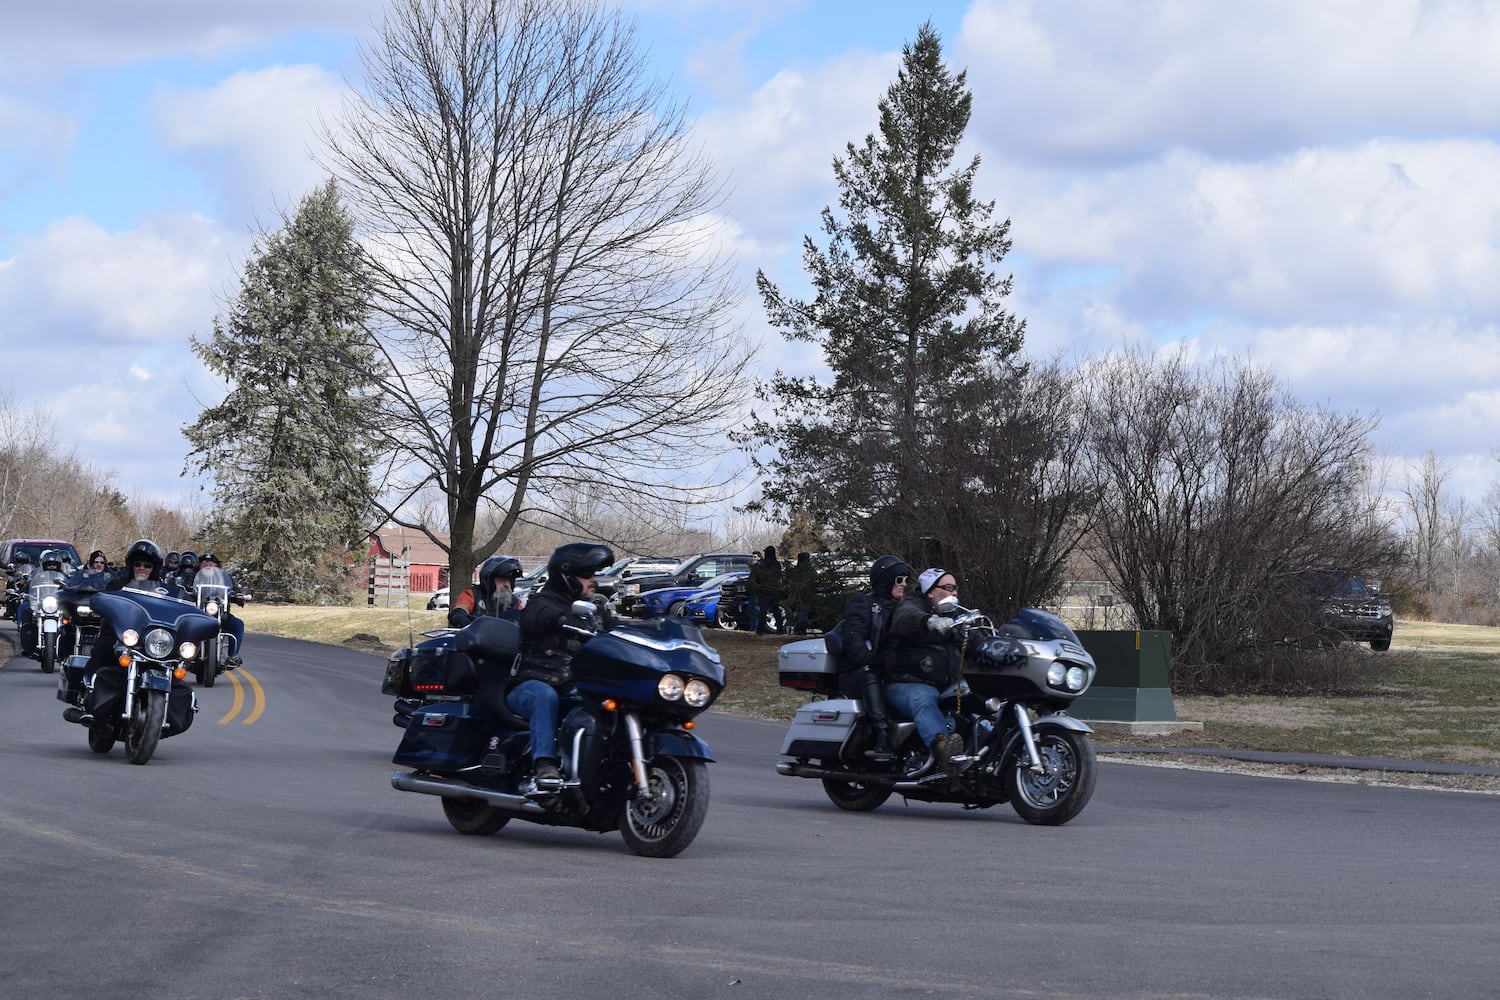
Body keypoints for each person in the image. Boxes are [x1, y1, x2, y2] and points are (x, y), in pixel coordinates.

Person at [515, 542, 615, 790]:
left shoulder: (593, 611)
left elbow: (618, 629)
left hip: (575, 685)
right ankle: (544, 764)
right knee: (543, 696)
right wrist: (560, 619)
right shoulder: (541, 603)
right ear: (566, 576)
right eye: (586, 575)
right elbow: (535, 617)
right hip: (531, 682)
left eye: (595, 574)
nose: (593, 580)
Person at [886, 567, 965, 775]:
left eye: (956, 588)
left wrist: (998, 648)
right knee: (924, 701)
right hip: (906, 683)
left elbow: (973, 638)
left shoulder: (955, 615)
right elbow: (905, 616)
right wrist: (929, 621)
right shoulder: (912, 604)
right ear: (930, 591)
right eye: (948, 588)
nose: (954, 593)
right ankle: (943, 748)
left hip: (944, 686)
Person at [836, 554, 910, 761]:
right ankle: (882, 734)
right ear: (885, 579)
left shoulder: (904, 609)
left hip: (888, 671)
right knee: (871, 672)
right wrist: (873, 661)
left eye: (906, 580)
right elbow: (854, 641)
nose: (904, 584)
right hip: (856, 674)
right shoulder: (863, 604)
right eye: (899, 579)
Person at [194, 552, 246, 667]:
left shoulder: (224, 577)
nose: (208, 564)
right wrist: (186, 591)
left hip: (220, 613)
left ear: (216, 565)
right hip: (197, 614)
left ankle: (232, 656)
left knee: (238, 625)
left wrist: (238, 596)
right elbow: (183, 587)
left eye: (211, 562)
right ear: (199, 564)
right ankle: (179, 655)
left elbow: (234, 589)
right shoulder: (193, 576)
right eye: (204, 562)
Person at [448, 556, 523, 628]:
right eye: (502, 580)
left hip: (506, 640)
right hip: (476, 639)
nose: (507, 584)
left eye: (510, 580)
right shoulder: (472, 594)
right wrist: (468, 622)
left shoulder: (515, 602)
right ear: (489, 581)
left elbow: (524, 619)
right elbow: (458, 612)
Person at [748, 545, 783, 634]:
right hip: (774, 591)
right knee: (776, 611)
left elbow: (752, 578)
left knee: (763, 611)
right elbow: (779, 577)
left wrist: (758, 586)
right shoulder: (777, 564)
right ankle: (780, 629)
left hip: (763, 591)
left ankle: (760, 630)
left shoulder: (761, 565)